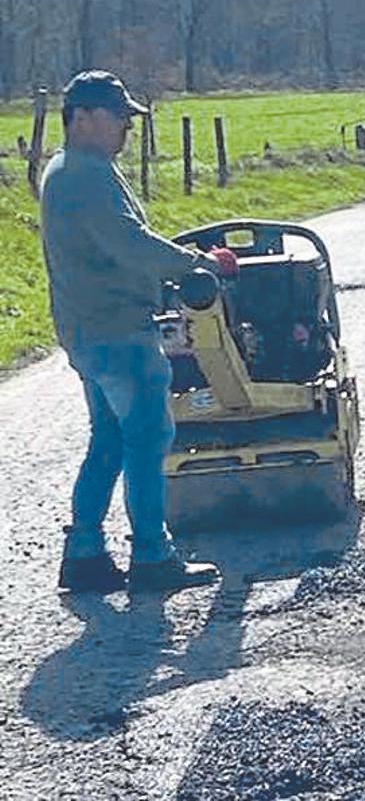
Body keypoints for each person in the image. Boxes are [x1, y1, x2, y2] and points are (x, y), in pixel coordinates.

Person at [40, 70, 239, 593]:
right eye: (117, 116)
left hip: (87, 329)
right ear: (81, 117)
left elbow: (120, 244)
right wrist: (198, 263)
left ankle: (83, 554)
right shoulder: (85, 175)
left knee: (108, 439)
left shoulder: (69, 169)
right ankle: (153, 557)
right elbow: (128, 244)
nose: (127, 128)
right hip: (117, 331)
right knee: (150, 436)